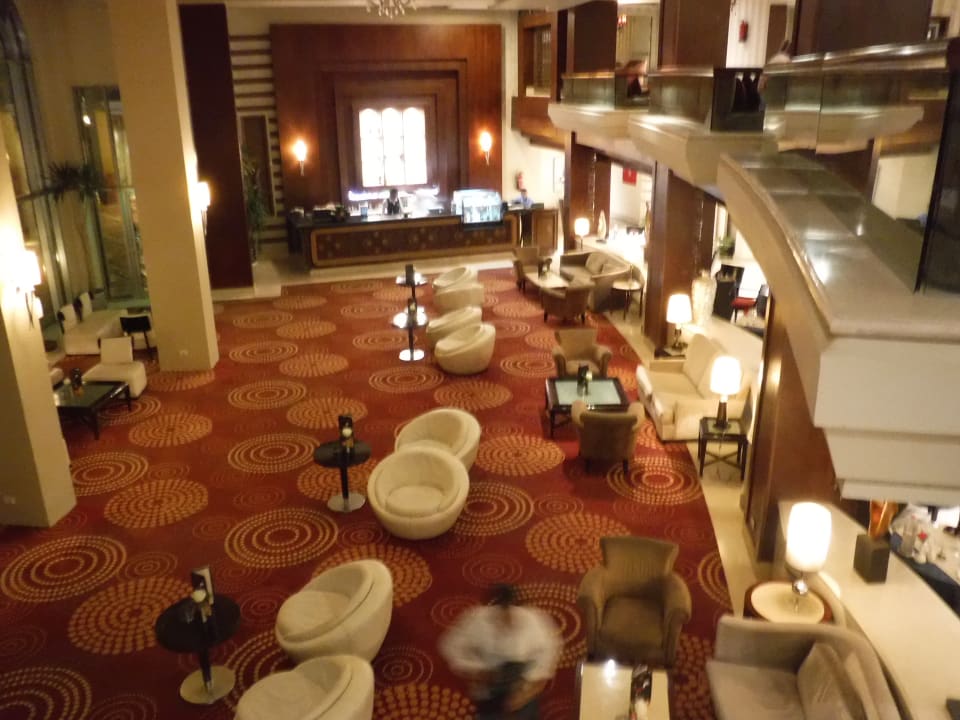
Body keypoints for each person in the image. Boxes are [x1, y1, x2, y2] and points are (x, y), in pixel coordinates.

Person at [439, 584, 561, 720]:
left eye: (509, 614)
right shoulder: (476, 620)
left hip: (521, 681)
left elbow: (549, 652)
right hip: (490, 683)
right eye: (500, 615)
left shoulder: (534, 621)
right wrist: (475, 670)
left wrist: (529, 690)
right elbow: (450, 646)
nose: (505, 620)